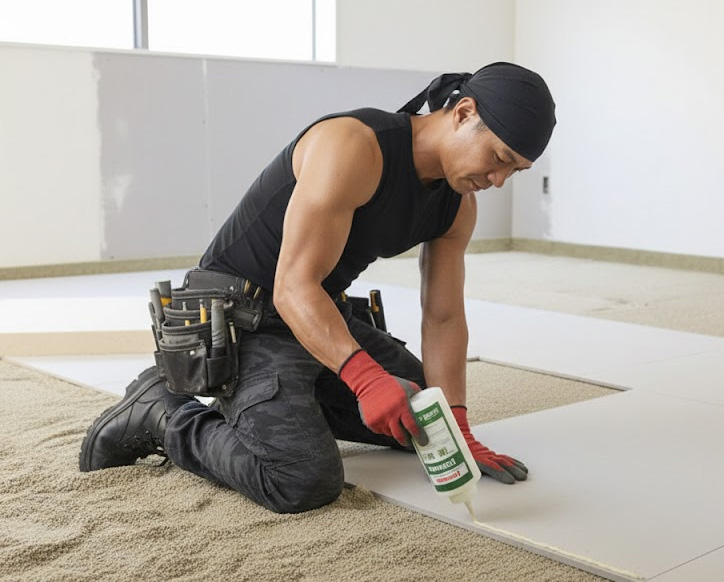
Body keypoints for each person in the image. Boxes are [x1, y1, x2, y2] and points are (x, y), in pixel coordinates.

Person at [79, 62, 557, 514]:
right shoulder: (352, 145)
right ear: (463, 112)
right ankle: (161, 412)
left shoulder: (458, 204)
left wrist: (458, 425)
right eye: (498, 158)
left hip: (318, 317)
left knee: (424, 428)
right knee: (301, 479)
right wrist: (366, 379)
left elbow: (444, 316)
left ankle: (285, 411)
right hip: (246, 315)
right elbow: (291, 286)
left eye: (515, 171)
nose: (497, 180)